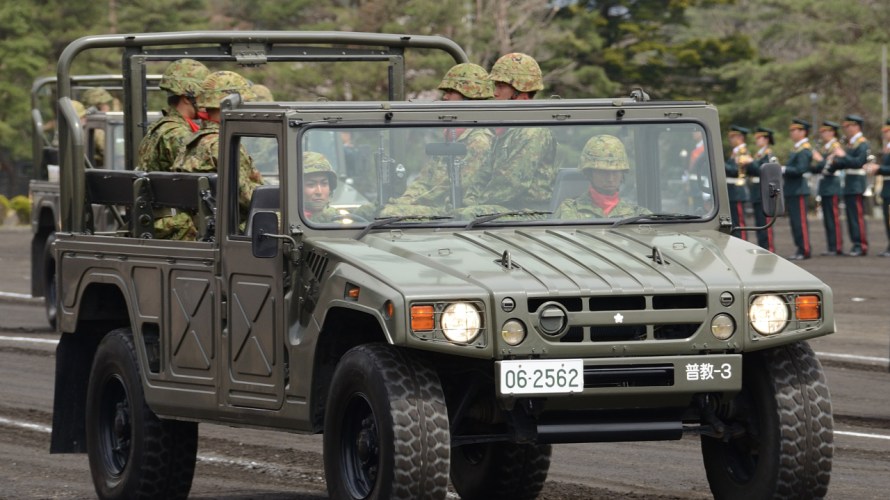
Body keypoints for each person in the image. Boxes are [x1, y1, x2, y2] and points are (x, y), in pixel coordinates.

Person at [382, 63, 494, 215]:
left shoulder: (478, 141)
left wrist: (403, 207)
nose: (445, 97)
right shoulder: (451, 136)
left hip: (448, 212)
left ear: (469, 95)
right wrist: (403, 201)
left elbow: (454, 190)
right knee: (371, 211)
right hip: (431, 207)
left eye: (451, 92)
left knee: (388, 214)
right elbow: (424, 180)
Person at [462, 53, 556, 212]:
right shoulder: (507, 130)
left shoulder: (532, 131)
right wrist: (468, 202)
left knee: (465, 215)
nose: (495, 93)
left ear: (521, 92)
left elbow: (511, 184)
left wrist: (474, 207)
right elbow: (483, 176)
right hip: (503, 210)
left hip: (529, 215)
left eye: (501, 86)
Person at [172, 70, 263, 234]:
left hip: (205, 230)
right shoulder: (224, 145)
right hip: (231, 233)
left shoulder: (195, 141)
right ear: (234, 106)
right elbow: (250, 199)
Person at [137, 58, 210, 172]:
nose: (208, 102)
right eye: (204, 96)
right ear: (187, 98)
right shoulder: (177, 134)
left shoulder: (165, 127)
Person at [554, 134, 650, 219]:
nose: (610, 179)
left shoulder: (637, 214)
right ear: (590, 173)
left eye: (615, 172)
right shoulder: (569, 211)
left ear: (622, 173)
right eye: (603, 172)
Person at [828, 114, 870, 256]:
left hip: (857, 183)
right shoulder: (851, 143)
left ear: (856, 126)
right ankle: (855, 243)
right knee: (851, 217)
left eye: (848, 126)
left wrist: (842, 155)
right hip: (849, 183)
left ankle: (861, 245)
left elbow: (858, 162)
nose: (846, 129)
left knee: (857, 217)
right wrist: (834, 161)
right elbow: (845, 163)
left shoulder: (862, 143)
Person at [810, 121, 845, 256]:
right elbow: (819, 168)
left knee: (834, 218)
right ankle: (831, 246)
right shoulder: (826, 148)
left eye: (825, 131)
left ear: (832, 132)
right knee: (828, 218)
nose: (823, 134)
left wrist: (820, 160)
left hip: (833, 184)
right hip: (825, 184)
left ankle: (837, 246)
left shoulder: (835, 147)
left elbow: (833, 166)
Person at [783, 119, 813, 260]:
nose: (792, 133)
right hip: (793, 189)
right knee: (795, 222)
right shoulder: (797, 148)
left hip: (799, 189)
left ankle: (805, 249)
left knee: (800, 222)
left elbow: (800, 169)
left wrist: (784, 169)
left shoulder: (804, 149)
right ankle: (800, 248)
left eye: (795, 130)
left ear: (802, 132)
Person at [746, 127, 776, 251]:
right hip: (756, 191)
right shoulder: (759, 154)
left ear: (766, 139)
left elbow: (763, 170)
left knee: (765, 222)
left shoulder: (768, 154)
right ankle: (762, 246)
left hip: (763, 191)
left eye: (759, 138)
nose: (757, 140)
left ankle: (768, 247)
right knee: (759, 222)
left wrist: (750, 162)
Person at [866, 119, 890, 257]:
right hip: (887, 187)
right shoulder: (887, 147)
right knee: (887, 220)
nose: (885, 134)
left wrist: (878, 168)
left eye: (887, 131)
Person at [725, 125, 752, 239]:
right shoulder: (736, 152)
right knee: (735, 223)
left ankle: (743, 243)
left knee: (739, 223)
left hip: (738, 190)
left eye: (733, 137)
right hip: (733, 191)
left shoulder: (742, 152)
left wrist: (721, 164)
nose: (730, 139)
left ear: (740, 137)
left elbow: (736, 171)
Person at [302, 151, 341, 222]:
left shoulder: (336, 217)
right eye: (311, 185)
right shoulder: (283, 220)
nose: (319, 192)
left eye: (324, 184)